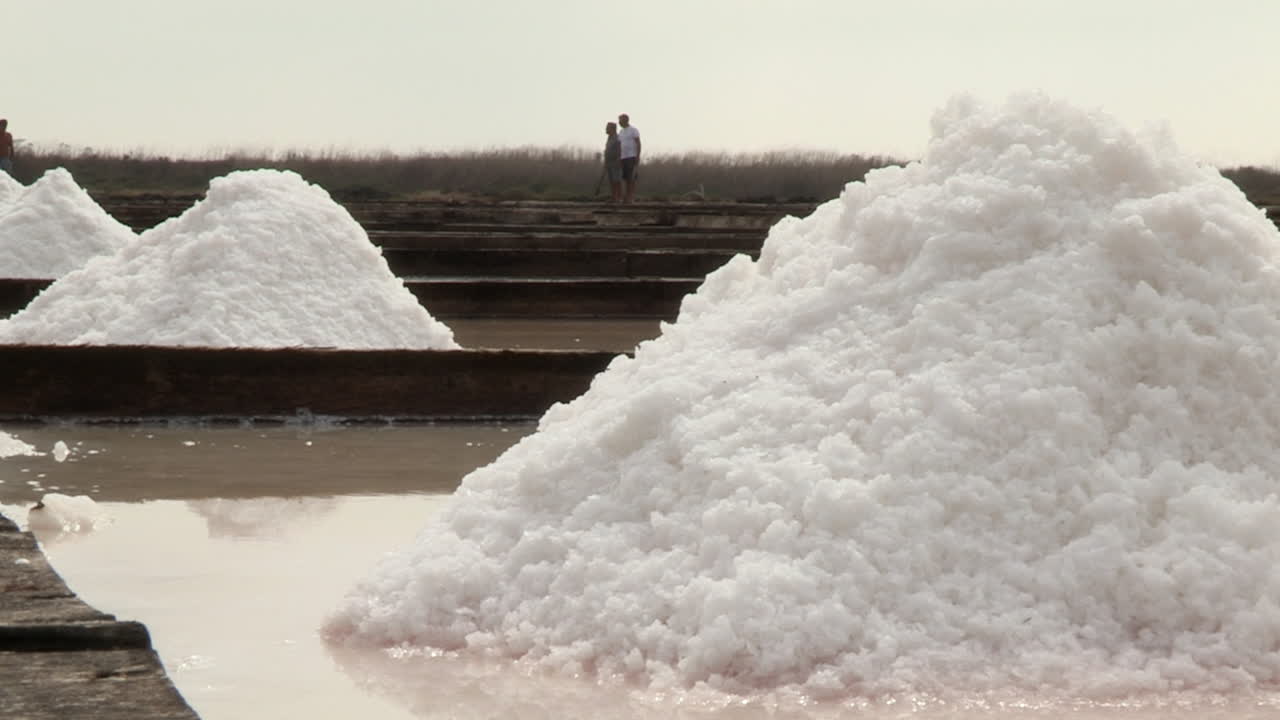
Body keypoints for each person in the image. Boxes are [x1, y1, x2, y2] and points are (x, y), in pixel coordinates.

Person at [617, 113, 641, 203]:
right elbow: (620, 145)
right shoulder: (621, 132)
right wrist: (619, 157)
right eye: (619, 120)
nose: (619, 122)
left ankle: (631, 197)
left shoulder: (633, 130)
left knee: (631, 178)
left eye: (621, 120)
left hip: (631, 156)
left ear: (626, 120)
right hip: (623, 157)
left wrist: (638, 156)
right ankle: (625, 197)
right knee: (624, 178)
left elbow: (638, 143)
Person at [603, 121, 622, 202]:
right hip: (609, 162)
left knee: (617, 180)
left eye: (607, 128)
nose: (606, 129)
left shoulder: (617, 138)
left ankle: (619, 198)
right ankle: (614, 197)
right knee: (611, 181)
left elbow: (620, 149)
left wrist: (619, 159)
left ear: (612, 129)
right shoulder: (609, 138)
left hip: (616, 161)